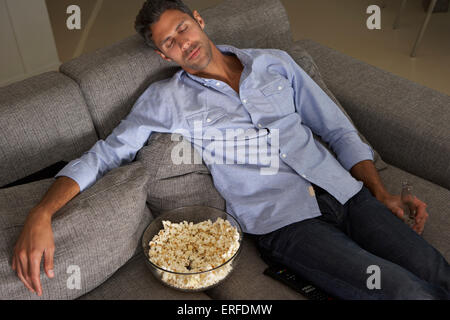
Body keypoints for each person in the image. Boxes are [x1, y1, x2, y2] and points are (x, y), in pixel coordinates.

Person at [12, 0, 450, 299]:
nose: (183, 43)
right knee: (401, 290)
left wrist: (378, 190)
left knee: (433, 270)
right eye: (169, 42)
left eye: (182, 28)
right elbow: (106, 154)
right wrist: (42, 213)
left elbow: (335, 129)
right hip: (286, 225)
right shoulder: (167, 101)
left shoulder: (275, 62)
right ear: (164, 55)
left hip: (344, 191)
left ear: (198, 20)